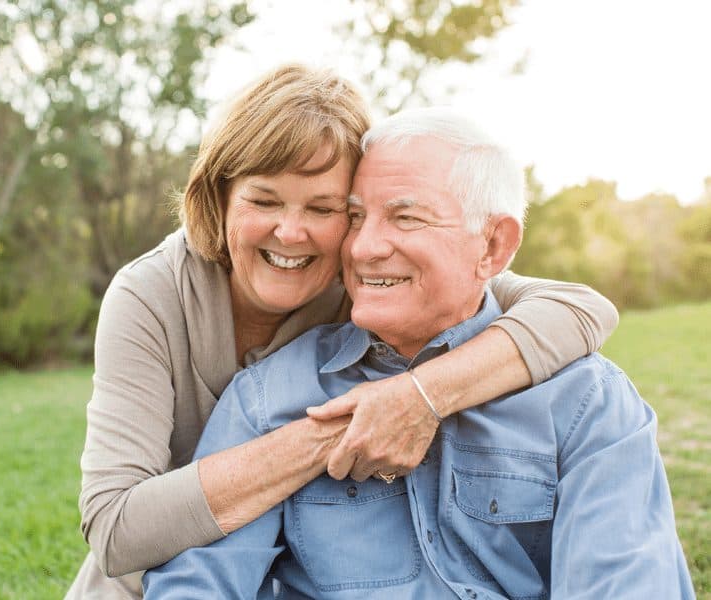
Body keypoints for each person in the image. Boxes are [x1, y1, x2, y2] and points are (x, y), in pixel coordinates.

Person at [66, 66, 620, 598]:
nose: (291, 232)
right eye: (263, 200)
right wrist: (350, 426)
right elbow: (116, 529)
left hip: (284, 564)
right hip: (152, 574)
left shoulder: (369, 281)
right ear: (220, 196)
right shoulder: (151, 295)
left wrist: (420, 395)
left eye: (325, 208)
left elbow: (578, 308)